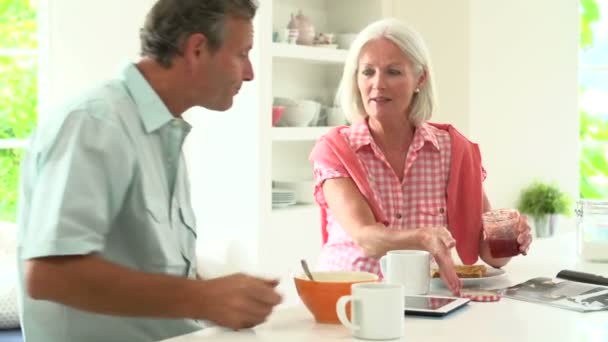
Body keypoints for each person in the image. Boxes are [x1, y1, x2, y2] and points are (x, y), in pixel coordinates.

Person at [16, 1, 282, 341]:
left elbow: (145, 269)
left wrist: (226, 302)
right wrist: (204, 298)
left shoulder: (165, 133)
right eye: (242, 54)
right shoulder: (96, 123)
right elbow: (48, 276)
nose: (249, 73)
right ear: (197, 49)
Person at [309, 18, 533, 295]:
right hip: (348, 299)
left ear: (420, 78)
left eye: (393, 72)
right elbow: (366, 238)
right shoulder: (336, 149)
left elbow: (490, 254)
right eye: (368, 72)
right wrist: (423, 237)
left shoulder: (453, 150)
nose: (378, 84)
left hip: (426, 298)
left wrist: (512, 237)